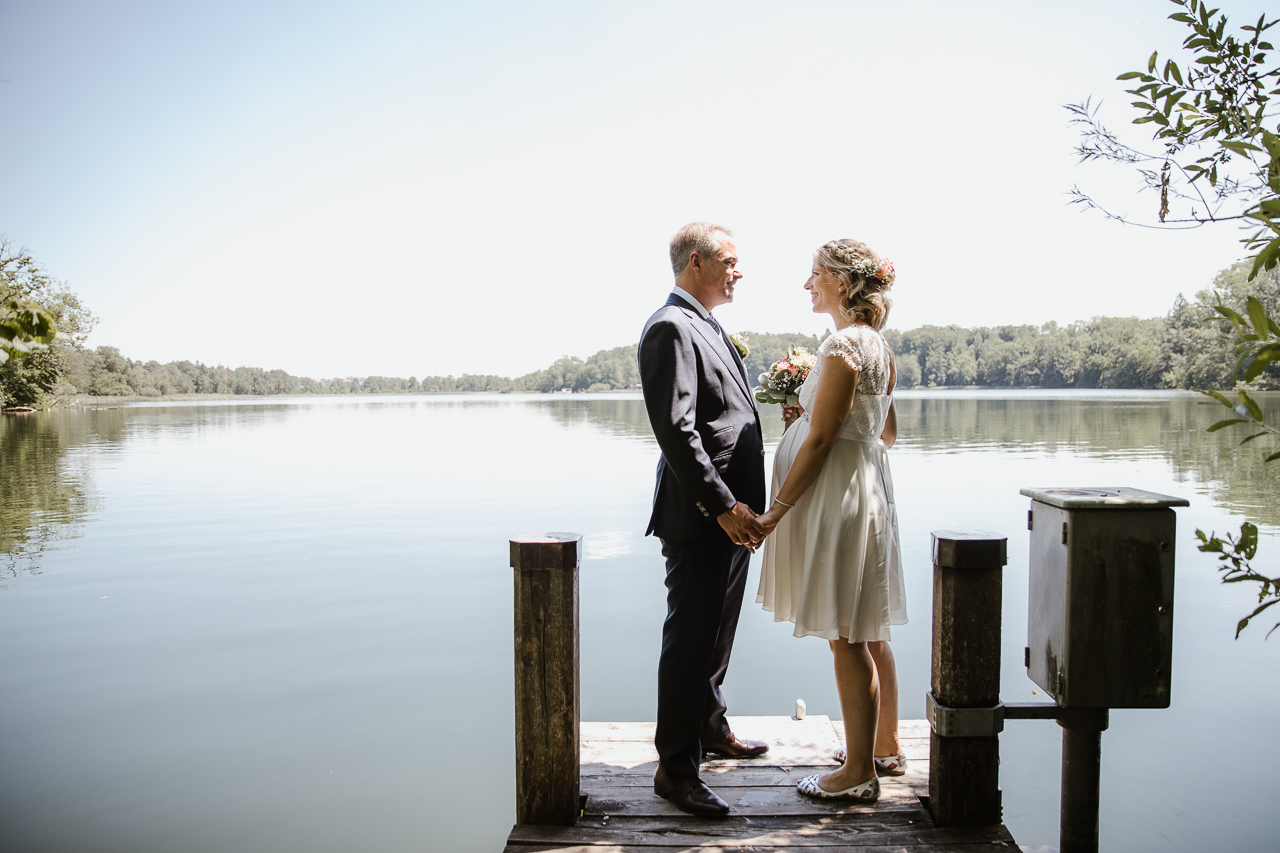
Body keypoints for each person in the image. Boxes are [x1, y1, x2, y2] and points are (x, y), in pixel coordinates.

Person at [755, 238, 908, 802]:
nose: (807, 283)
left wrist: (776, 511)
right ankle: (884, 746)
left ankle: (858, 774)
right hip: (865, 489)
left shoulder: (844, 344)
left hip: (841, 497)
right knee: (867, 627)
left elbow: (822, 441)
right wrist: (813, 415)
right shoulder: (878, 347)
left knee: (846, 636)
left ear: (842, 283)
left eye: (814, 274)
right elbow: (886, 433)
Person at [638, 222, 769, 818]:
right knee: (690, 640)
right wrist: (721, 506)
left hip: (732, 515)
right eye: (730, 261)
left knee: (717, 634)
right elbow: (677, 430)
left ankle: (710, 728)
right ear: (698, 262)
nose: (739, 271)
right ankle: (675, 770)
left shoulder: (706, 324)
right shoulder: (670, 326)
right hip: (703, 517)